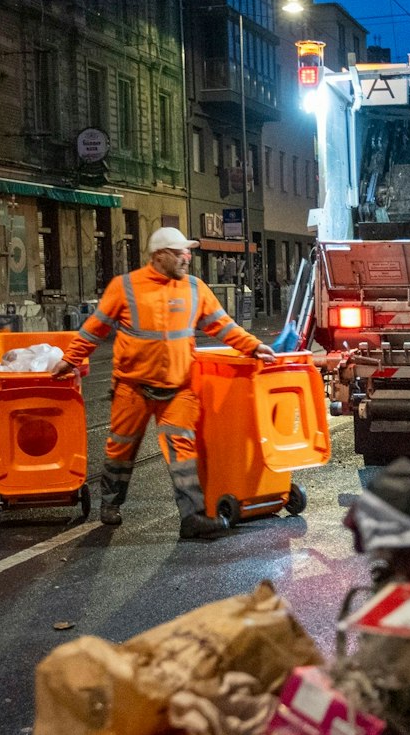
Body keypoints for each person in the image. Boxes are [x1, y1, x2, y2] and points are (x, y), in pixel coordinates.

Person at [57, 227, 272, 539]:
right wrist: (70, 359)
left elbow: (222, 326)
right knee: (121, 447)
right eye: (180, 252)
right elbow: (94, 329)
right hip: (133, 388)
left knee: (182, 451)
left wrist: (253, 346)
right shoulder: (126, 287)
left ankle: (193, 517)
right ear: (159, 256)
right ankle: (110, 502)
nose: (187, 257)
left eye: (188, 252)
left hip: (178, 389)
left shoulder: (195, 289)